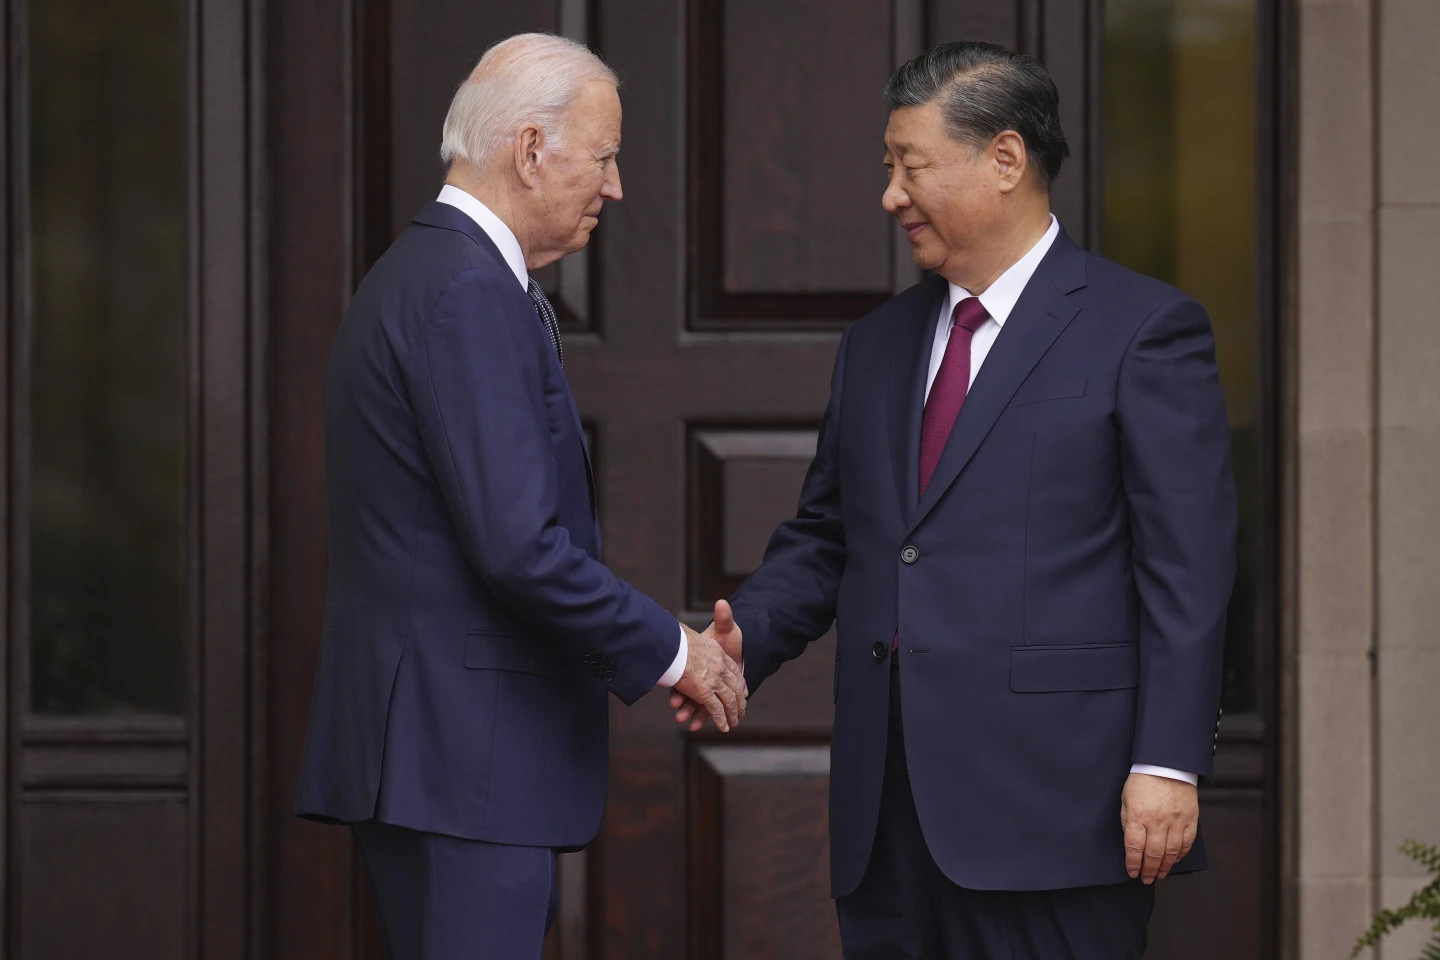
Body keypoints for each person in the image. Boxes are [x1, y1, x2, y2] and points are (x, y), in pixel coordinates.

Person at [675, 40, 1235, 959]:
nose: (891, 195)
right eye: (887, 168)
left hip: (1060, 813)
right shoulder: (877, 344)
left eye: (910, 166)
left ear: (1005, 160)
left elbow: (1188, 567)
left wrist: (1167, 761)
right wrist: (751, 635)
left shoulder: (1143, 330)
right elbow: (829, 534)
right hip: (888, 820)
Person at [293, 33, 745, 960]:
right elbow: (519, 548)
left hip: (436, 756)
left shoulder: (426, 273)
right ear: (531, 149)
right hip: (460, 759)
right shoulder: (466, 289)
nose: (615, 188)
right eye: (606, 156)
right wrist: (675, 651)